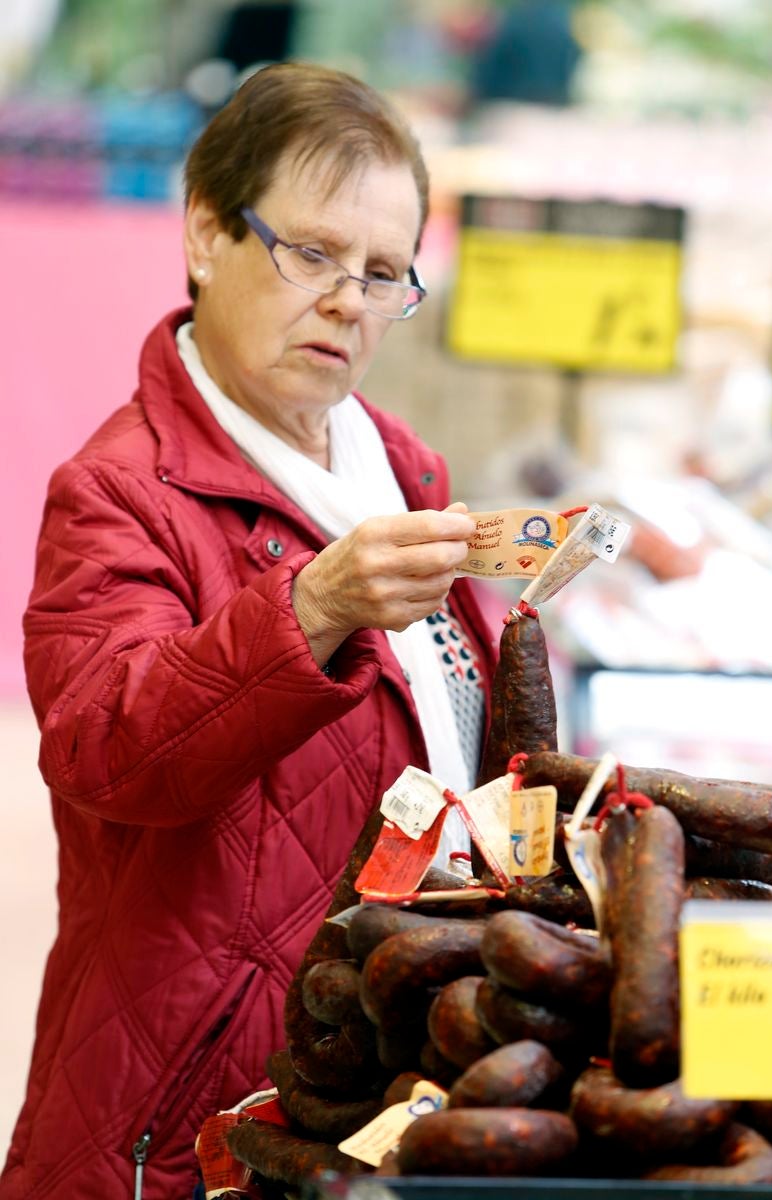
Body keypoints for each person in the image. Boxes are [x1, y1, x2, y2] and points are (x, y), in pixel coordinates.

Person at [2, 63, 495, 1199]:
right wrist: (312, 606)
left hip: (369, 1089)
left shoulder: (400, 468)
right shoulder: (120, 493)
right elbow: (103, 750)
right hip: (190, 1107)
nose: (347, 300)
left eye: (381, 274)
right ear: (206, 232)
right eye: (311, 253)